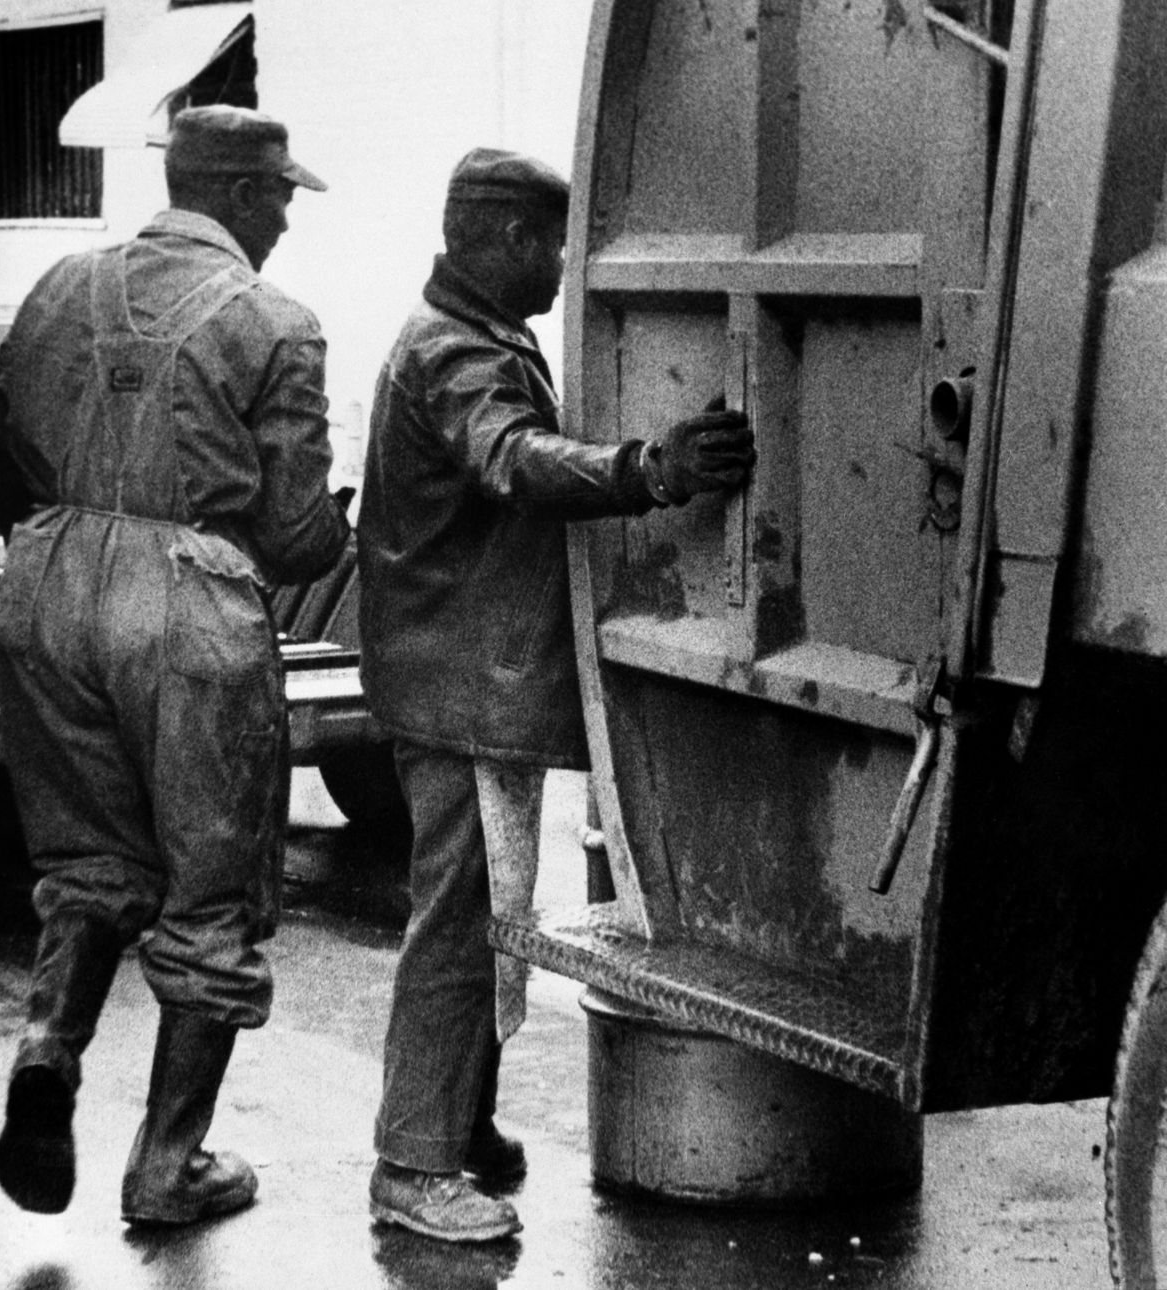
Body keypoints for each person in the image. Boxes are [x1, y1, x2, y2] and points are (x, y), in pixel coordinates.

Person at [358, 148, 755, 1242]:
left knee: (486, 913)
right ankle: (413, 1165)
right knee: (460, 924)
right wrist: (650, 471)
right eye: (556, 245)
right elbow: (513, 461)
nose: (565, 267)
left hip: (460, 683)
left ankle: (457, 1127)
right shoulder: (456, 357)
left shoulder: (472, 336)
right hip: (461, 693)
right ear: (507, 241)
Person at [0, 105, 350, 1226]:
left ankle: (48, 1048)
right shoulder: (276, 321)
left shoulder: (57, 288)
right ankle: (167, 1164)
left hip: (41, 588)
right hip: (186, 607)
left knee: (87, 863)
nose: (284, 217)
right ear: (237, 192)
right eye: (281, 193)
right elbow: (288, 533)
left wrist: (69, 533)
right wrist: (327, 532)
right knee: (214, 888)